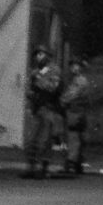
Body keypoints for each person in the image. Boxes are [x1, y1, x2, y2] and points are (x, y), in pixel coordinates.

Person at [23, 47, 65, 179]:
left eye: (41, 54)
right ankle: (31, 166)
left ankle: (44, 167)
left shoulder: (54, 70)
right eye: (37, 54)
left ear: (47, 56)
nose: (38, 57)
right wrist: (31, 95)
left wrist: (40, 79)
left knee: (45, 139)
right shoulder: (34, 72)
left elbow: (53, 88)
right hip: (36, 108)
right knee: (32, 139)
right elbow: (28, 89)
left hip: (48, 108)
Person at [58, 58, 95, 175]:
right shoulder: (80, 80)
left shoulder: (79, 80)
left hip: (75, 112)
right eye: (72, 66)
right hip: (81, 112)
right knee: (79, 138)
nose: (73, 68)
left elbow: (71, 95)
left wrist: (61, 101)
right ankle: (78, 163)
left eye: (76, 66)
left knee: (73, 137)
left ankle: (71, 162)